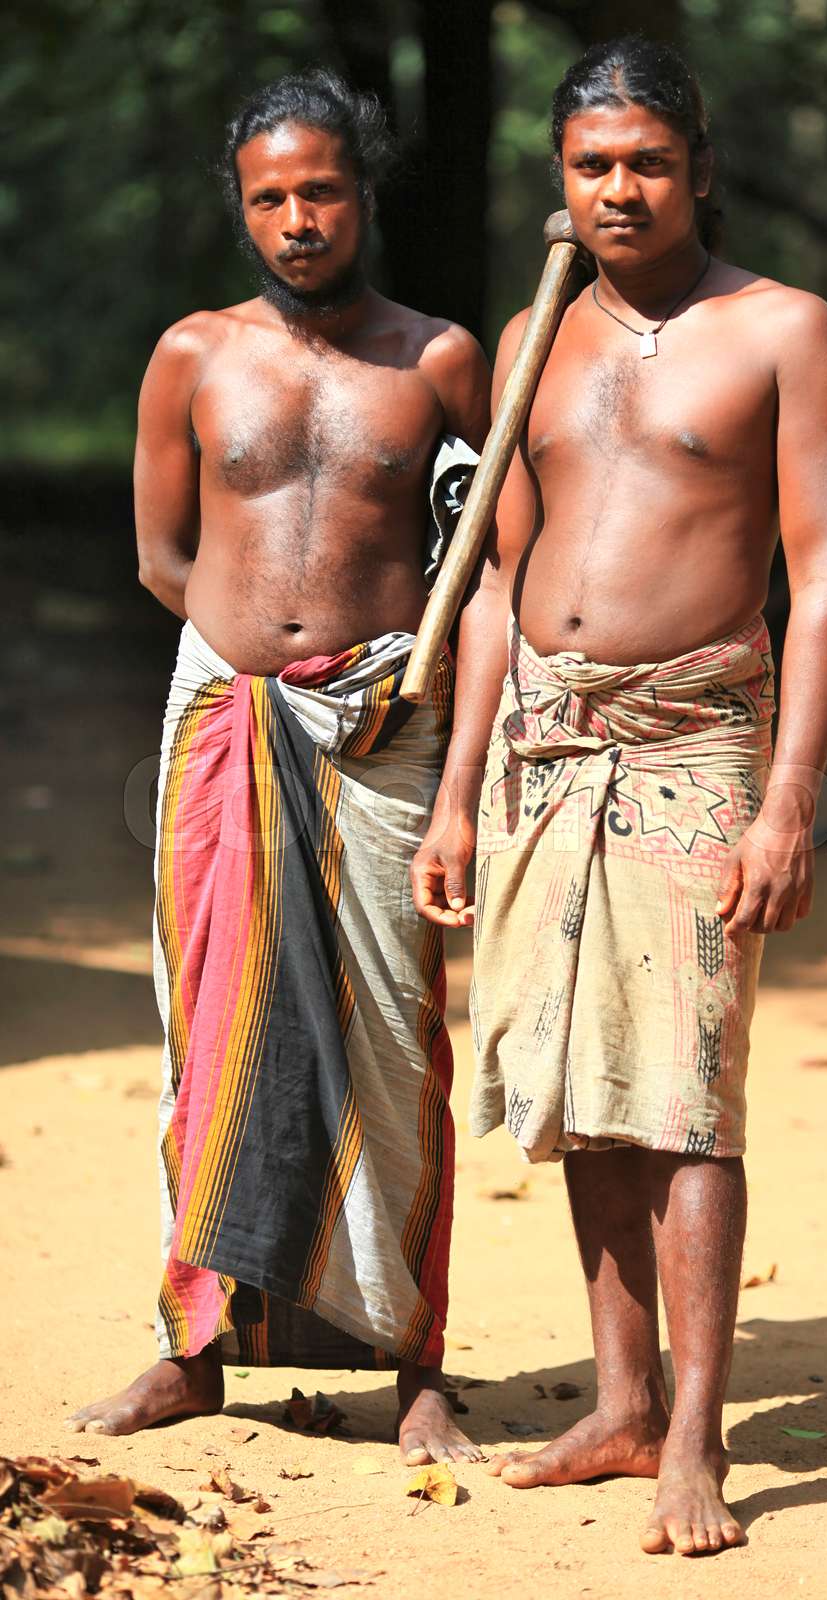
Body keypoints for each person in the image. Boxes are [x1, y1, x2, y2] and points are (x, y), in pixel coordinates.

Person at [412, 36, 827, 1553]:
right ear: (562, 182)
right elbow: (492, 585)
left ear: (702, 167)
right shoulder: (535, 332)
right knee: (581, 1090)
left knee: (687, 1098)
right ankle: (616, 1402)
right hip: (547, 742)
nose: (620, 188)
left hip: (696, 746)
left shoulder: (784, 331)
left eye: (648, 162)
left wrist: (789, 799)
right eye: (594, 166)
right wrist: (462, 788)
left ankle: (695, 1440)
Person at [66, 68, 490, 1466]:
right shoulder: (192, 354)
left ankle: (412, 1359)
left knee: (390, 1041)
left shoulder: (438, 361)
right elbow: (158, 553)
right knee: (215, 1036)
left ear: (365, 195)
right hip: (229, 722)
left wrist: (393, 703)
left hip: (386, 731)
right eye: (271, 198)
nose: (298, 220)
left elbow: (483, 562)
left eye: (321, 191)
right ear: (241, 210)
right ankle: (197, 1350)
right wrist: (249, 654)